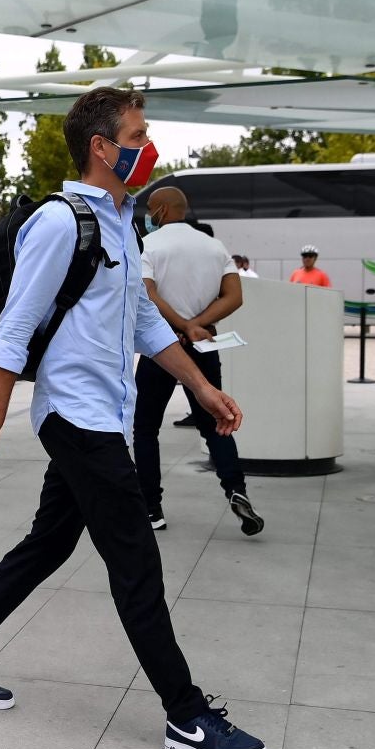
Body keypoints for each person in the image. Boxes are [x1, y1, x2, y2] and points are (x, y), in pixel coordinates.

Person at [0, 86, 268, 749]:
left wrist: (201, 386)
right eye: (138, 135)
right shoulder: (60, 222)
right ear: (101, 148)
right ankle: (187, 715)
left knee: (49, 542)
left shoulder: (124, 221)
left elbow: (143, 322)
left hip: (101, 414)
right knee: (136, 560)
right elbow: (16, 328)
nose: (151, 150)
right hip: (75, 417)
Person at [133, 187, 264, 535]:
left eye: (150, 209)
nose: (148, 216)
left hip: (159, 347)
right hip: (204, 345)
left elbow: (147, 294)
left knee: (145, 428)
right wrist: (198, 325)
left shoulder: (149, 245)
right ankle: (236, 489)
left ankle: (152, 508)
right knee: (216, 422)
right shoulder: (213, 246)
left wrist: (180, 326)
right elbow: (234, 296)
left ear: (161, 210)